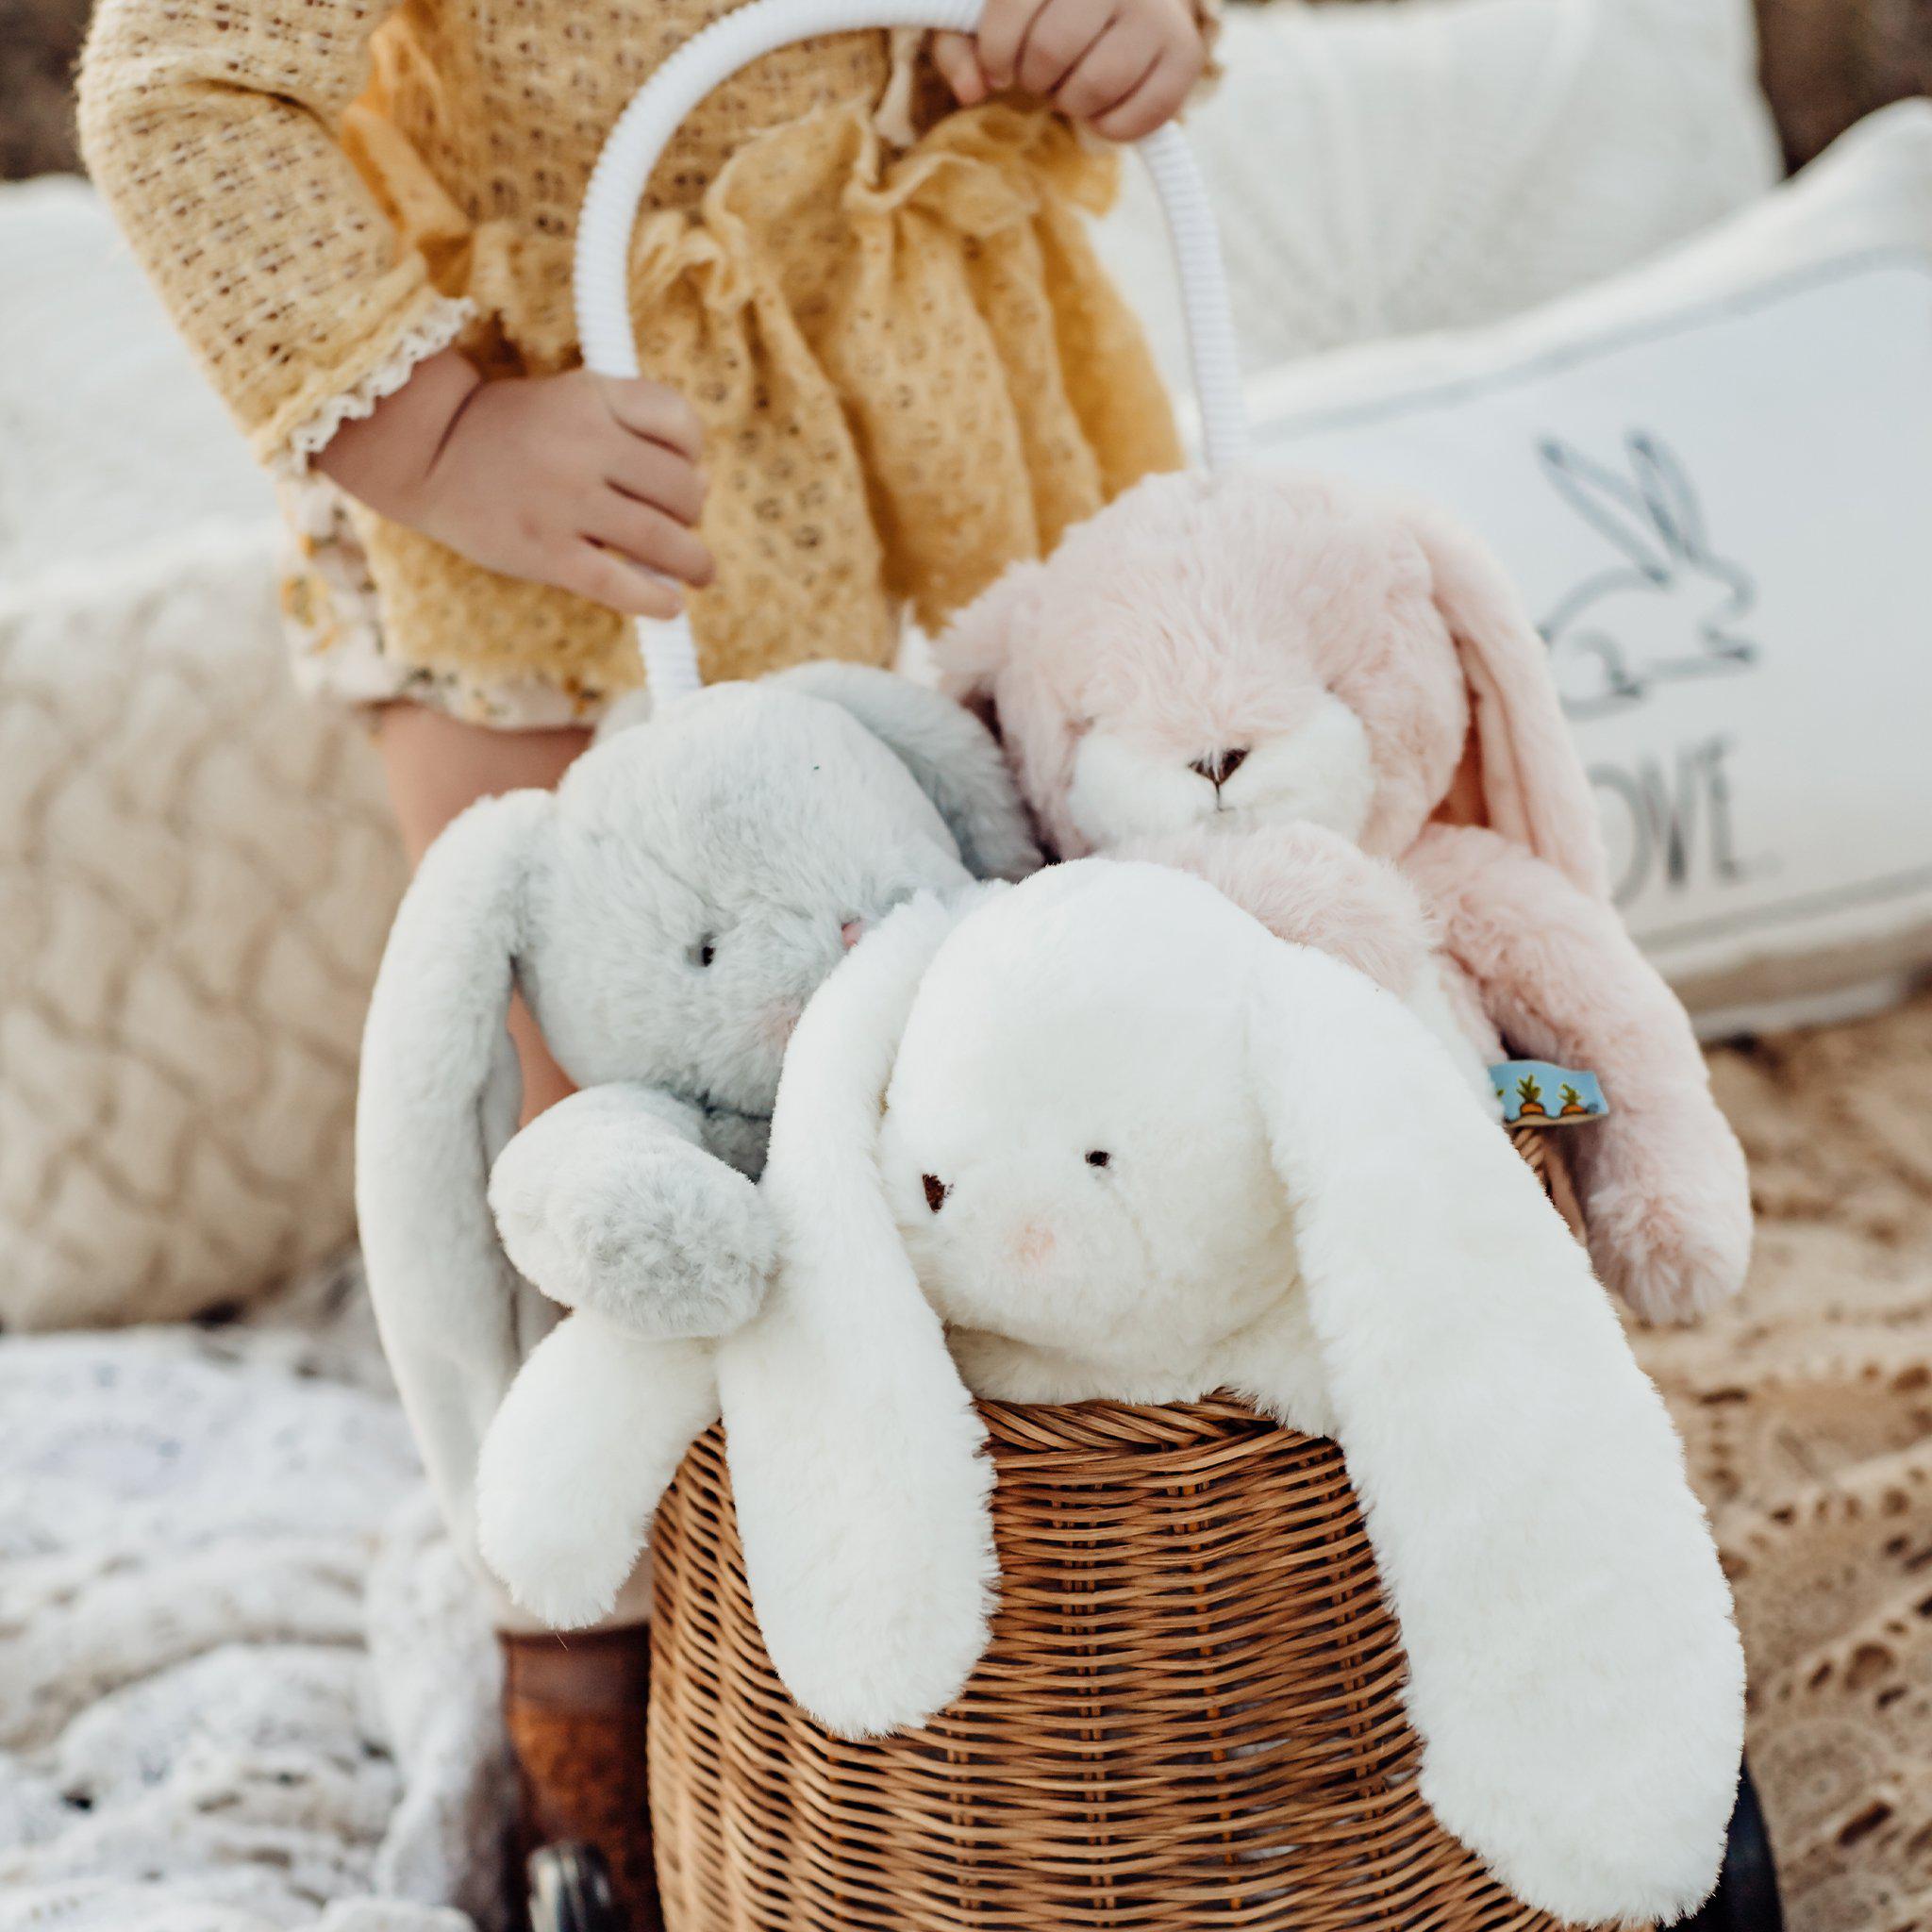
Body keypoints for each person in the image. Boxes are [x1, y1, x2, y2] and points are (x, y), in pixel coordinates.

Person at [76, 0, 1205, 1915]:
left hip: (913, 407)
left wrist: (1118, 31)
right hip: (565, 481)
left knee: (1001, 1013)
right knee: (608, 1118)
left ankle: (1026, 1577)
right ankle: (598, 1682)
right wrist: (437, 432)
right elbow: (183, 92)